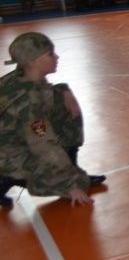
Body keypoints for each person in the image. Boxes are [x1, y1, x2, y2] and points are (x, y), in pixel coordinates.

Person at [0, 32, 106, 209]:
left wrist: (64, 90)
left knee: (62, 104)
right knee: (75, 181)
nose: (56, 57)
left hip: (14, 139)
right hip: (8, 154)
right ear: (33, 61)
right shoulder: (28, 102)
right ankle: (7, 178)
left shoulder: (23, 74)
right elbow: (43, 145)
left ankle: (71, 166)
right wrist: (71, 184)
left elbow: (47, 94)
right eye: (50, 54)